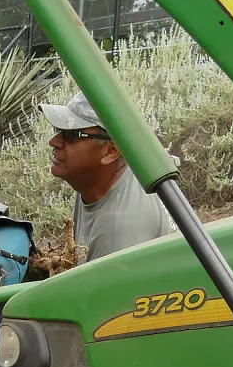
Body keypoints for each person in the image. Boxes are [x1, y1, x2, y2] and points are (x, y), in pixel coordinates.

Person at [41, 90, 176, 262]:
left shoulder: (120, 230)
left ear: (111, 151)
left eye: (71, 134)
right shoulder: (95, 182)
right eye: (58, 129)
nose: (54, 141)